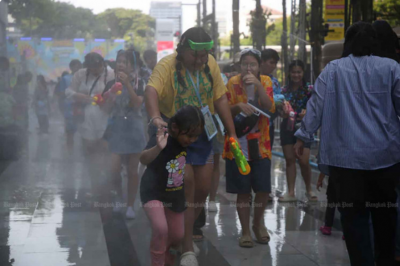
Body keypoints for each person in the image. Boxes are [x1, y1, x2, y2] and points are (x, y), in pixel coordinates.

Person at [293, 22, 400, 266]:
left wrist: (304, 136)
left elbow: (316, 106)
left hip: (345, 164)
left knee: (354, 221)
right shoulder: (391, 68)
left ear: (348, 44)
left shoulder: (333, 70)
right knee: (385, 216)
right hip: (385, 161)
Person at [145, 27, 237, 266]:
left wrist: (232, 131)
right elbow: (151, 90)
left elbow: (220, 98)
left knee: (202, 190)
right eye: (195, 55)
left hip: (202, 134)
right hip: (177, 138)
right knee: (186, 185)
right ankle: (186, 245)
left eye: (204, 55)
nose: (200, 60)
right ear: (182, 50)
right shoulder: (166, 65)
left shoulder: (211, 65)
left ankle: (180, 233)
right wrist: (156, 118)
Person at [140, 105, 204, 266]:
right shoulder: (162, 134)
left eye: (196, 136)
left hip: (174, 195)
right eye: (189, 136)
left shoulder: (186, 141)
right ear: (175, 128)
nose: (192, 140)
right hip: (152, 192)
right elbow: (143, 158)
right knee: (161, 228)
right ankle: (157, 262)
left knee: (177, 235)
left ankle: (168, 260)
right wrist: (158, 147)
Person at [223, 48, 275, 248]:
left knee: (262, 189)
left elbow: (269, 106)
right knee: (243, 191)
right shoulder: (232, 82)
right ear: (239, 66)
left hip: (261, 145)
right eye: (245, 64)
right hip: (238, 145)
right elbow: (224, 108)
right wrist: (238, 107)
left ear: (259, 66)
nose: (249, 68)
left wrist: (259, 86)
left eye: (253, 64)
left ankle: (258, 223)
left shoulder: (267, 81)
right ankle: (245, 230)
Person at [103, 49, 146, 219]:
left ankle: (130, 205)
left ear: (132, 66)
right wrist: (109, 96)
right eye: (118, 61)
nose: (120, 64)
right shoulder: (110, 84)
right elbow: (104, 109)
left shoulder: (139, 83)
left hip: (134, 128)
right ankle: (119, 197)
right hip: (117, 128)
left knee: (132, 170)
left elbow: (137, 104)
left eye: (124, 62)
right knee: (114, 169)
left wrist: (127, 84)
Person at [66, 52, 115, 195]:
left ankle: (108, 187)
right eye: (92, 67)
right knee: (90, 154)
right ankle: (94, 188)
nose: (95, 70)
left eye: (98, 66)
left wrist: (106, 99)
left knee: (106, 154)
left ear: (102, 64)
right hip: (86, 119)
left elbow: (116, 93)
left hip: (106, 118)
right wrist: (82, 97)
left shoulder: (111, 74)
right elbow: (69, 92)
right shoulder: (80, 74)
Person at [278, 60, 316, 202]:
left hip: (305, 129)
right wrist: (284, 113)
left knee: (304, 160)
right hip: (287, 128)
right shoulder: (283, 91)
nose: (296, 75)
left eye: (299, 72)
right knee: (289, 160)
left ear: (303, 73)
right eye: (293, 72)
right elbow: (279, 112)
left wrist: (307, 113)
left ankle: (309, 189)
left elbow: (316, 108)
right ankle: (291, 192)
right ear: (289, 73)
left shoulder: (310, 90)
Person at [260, 49, 285, 149]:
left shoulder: (274, 82)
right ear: (262, 62)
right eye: (271, 62)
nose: (273, 66)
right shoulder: (251, 79)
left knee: (266, 157)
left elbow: (279, 102)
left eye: (275, 63)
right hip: (252, 125)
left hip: (269, 125)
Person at [60, 60, 82, 151]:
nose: (77, 68)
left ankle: (83, 151)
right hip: (70, 108)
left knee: (84, 131)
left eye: (79, 66)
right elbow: (62, 93)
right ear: (71, 67)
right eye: (75, 66)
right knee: (70, 132)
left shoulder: (84, 78)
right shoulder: (65, 78)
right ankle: (70, 151)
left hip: (81, 107)